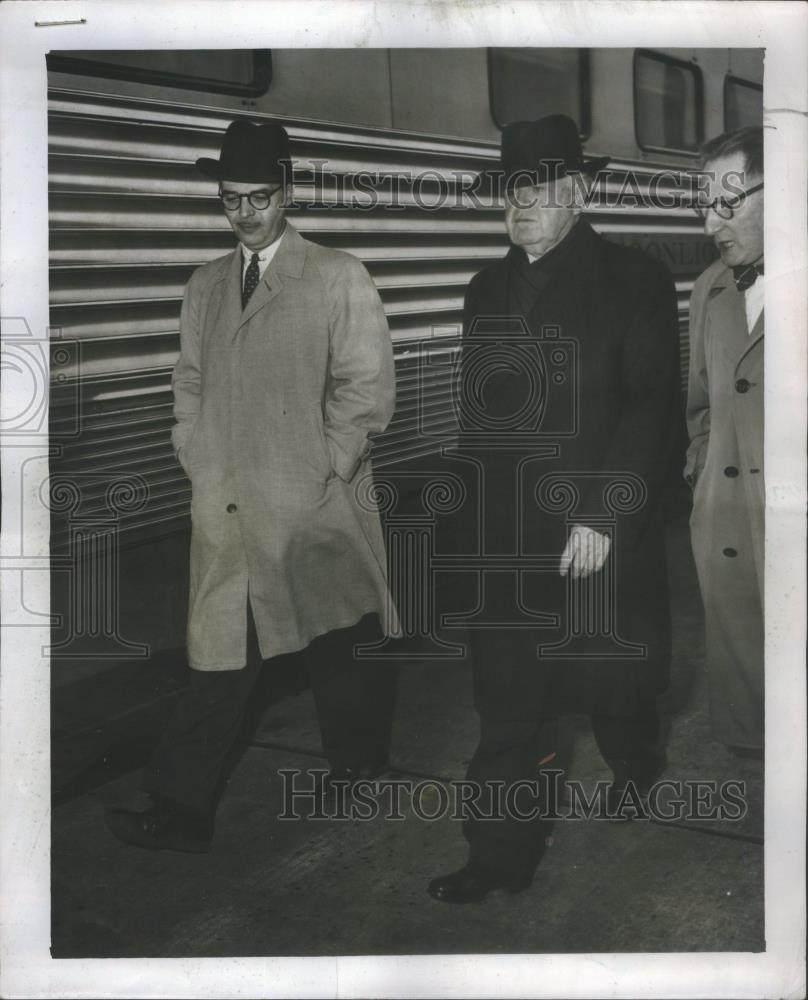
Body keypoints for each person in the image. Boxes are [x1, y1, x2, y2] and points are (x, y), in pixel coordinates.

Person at [106, 120, 399, 853]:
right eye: (230, 199)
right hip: (229, 505)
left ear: (288, 192)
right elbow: (190, 380)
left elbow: (365, 393)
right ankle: (181, 810)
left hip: (313, 502)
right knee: (219, 656)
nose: (245, 213)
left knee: (335, 637)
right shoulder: (205, 284)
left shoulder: (337, 274)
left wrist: (324, 468)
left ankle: (358, 766)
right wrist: (194, 450)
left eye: (259, 197)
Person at [428, 115, 682, 903]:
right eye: (511, 191)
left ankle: (636, 762)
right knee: (508, 706)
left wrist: (604, 512)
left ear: (577, 192)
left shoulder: (633, 281)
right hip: (508, 544)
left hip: (596, 533)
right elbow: (479, 424)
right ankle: (498, 856)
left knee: (616, 687)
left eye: (538, 189)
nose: (522, 205)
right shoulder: (484, 291)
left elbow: (652, 411)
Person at [684, 127, 764, 753]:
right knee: (754, 719)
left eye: (729, 204)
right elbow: (701, 403)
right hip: (729, 525)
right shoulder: (710, 289)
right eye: (704, 205)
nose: (712, 222)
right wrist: (703, 476)